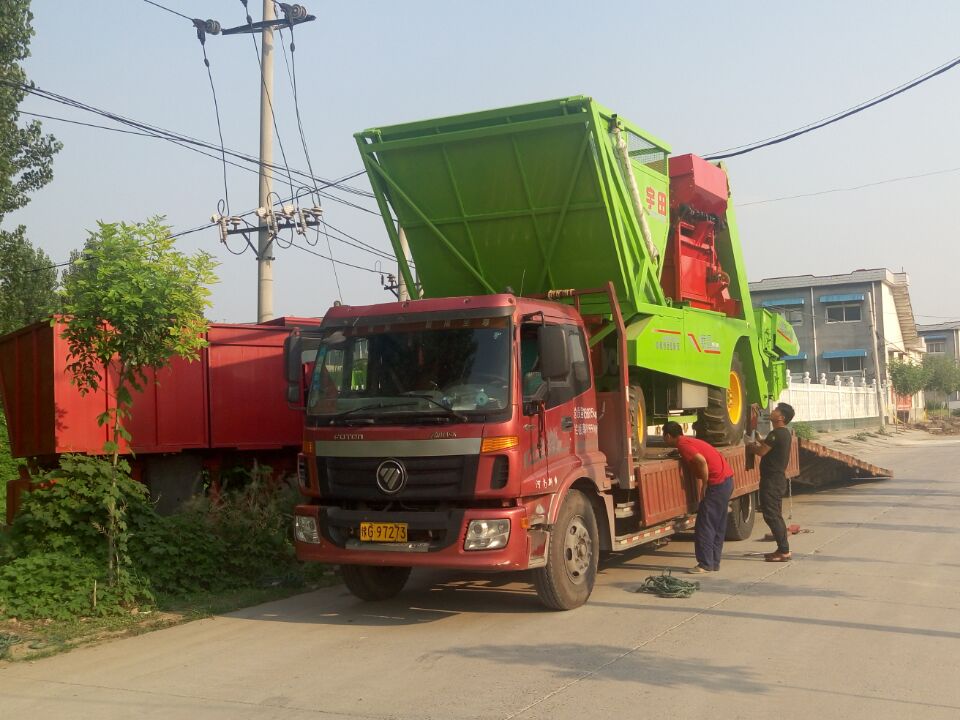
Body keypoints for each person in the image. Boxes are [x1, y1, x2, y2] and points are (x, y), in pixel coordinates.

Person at [661, 421, 734, 574]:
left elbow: (700, 460)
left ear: (668, 436)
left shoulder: (683, 445)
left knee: (705, 525)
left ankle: (705, 564)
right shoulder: (689, 441)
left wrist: (705, 484)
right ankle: (714, 562)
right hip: (727, 480)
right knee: (718, 525)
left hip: (716, 484)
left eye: (664, 437)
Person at [748, 402, 796, 562]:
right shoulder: (782, 433)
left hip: (772, 481)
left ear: (781, 417)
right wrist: (761, 441)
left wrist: (750, 446)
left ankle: (784, 551)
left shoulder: (777, 434)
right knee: (775, 515)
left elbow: (762, 452)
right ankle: (782, 549)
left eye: (776, 410)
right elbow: (769, 446)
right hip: (776, 479)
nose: (772, 411)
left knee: (772, 516)